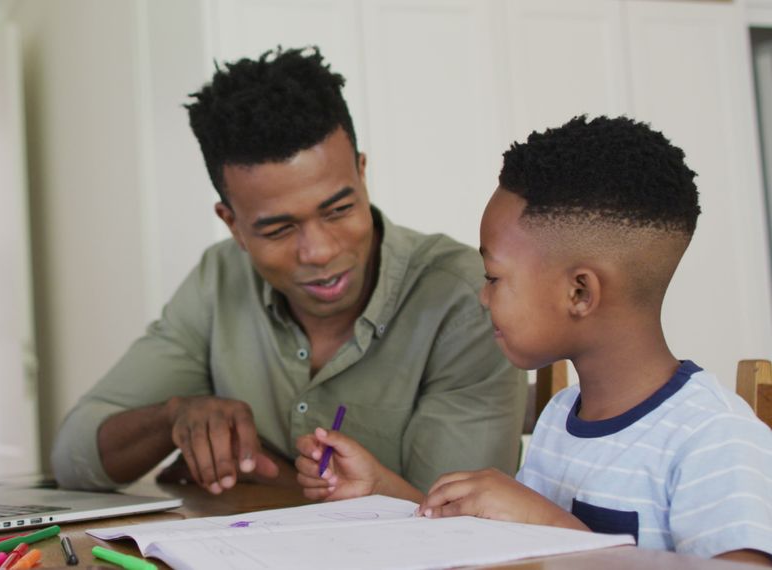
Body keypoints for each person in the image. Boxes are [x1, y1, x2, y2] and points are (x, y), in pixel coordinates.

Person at [294, 116, 772, 564]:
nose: (482, 298)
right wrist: (384, 488)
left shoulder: (712, 440)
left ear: (579, 292)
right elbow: (509, 538)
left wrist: (552, 525)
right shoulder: (559, 419)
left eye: (493, 277)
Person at [52, 47, 524, 497]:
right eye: (278, 229)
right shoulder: (219, 280)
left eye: (338, 210)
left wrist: (273, 478)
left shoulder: (466, 297)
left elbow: (457, 522)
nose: (318, 251)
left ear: (362, 174)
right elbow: (73, 457)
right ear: (231, 223)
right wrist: (174, 417)